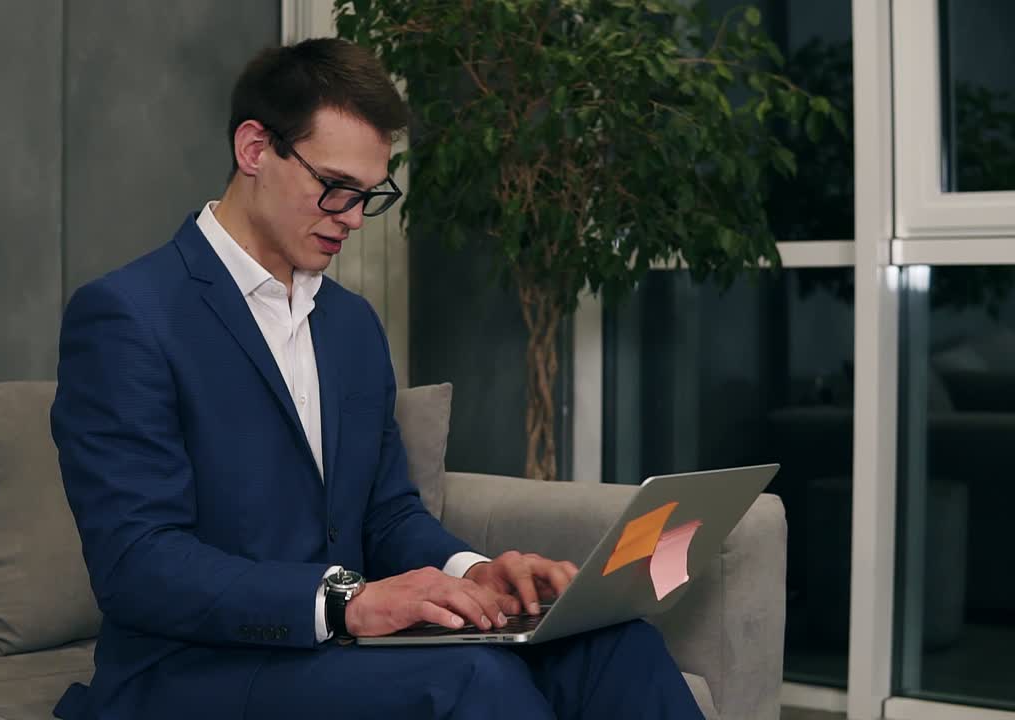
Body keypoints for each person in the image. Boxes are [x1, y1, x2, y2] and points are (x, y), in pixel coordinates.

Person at [50, 37, 703, 720]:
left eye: (370, 195)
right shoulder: (128, 316)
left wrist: (474, 573)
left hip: (339, 657)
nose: (355, 218)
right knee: (476, 684)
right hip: (191, 669)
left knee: (616, 644)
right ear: (253, 149)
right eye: (335, 188)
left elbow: (387, 513)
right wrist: (347, 602)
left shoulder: (351, 324)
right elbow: (137, 563)